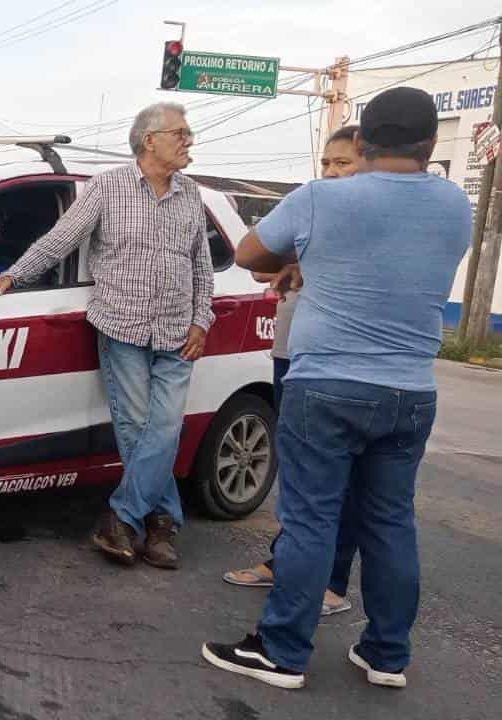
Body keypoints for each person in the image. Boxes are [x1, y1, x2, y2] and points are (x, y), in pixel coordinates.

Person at [202, 87, 472, 690]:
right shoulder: (456, 206)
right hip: (410, 391)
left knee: (311, 521)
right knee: (391, 523)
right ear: (431, 143)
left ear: (365, 141)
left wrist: (302, 259)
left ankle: (283, 652)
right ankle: (386, 655)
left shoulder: (322, 198)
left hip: (327, 383)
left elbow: (250, 253)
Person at [0, 102, 212, 570]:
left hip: (177, 330)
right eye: (181, 133)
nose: (189, 140)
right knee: (136, 428)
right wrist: (12, 277)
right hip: (123, 326)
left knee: (166, 427)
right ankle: (162, 524)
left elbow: (201, 265)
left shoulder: (191, 194)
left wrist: (201, 319)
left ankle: (121, 516)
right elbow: (61, 239)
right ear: (150, 140)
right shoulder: (107, 187)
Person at [222, 125, 362, 618]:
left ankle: (332, 580)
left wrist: (300, 262)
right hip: (291, 348)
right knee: (299, 471)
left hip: (335, 360)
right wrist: (294, 261)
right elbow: (259, 266)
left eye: (343, 163)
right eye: (327, 164)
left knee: (337, 477)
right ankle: (286, 561)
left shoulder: (364, 221)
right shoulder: (314, 209)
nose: (331, 172)